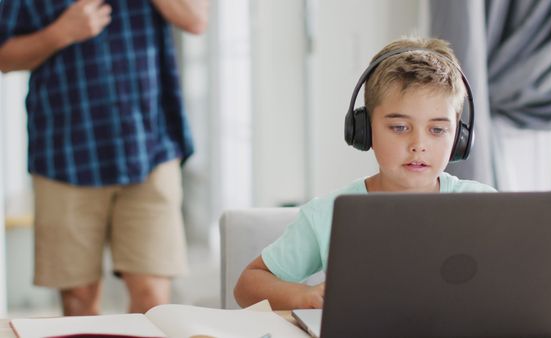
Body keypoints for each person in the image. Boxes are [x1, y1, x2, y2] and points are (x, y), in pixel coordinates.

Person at [234, 37, 496, 310]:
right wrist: (304, 297)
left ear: (460, 138)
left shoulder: (487, 206)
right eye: (399, 127)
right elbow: (248, 285)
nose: (419, 144)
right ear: (363, 130)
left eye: (438, 130)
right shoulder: (328, 214)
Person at [0, 0, 207, 315]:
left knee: (153, 300)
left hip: (150, 148)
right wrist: (61, 32)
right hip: (65, 155)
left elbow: (196, 19)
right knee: (78, 301)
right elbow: (4, 55)